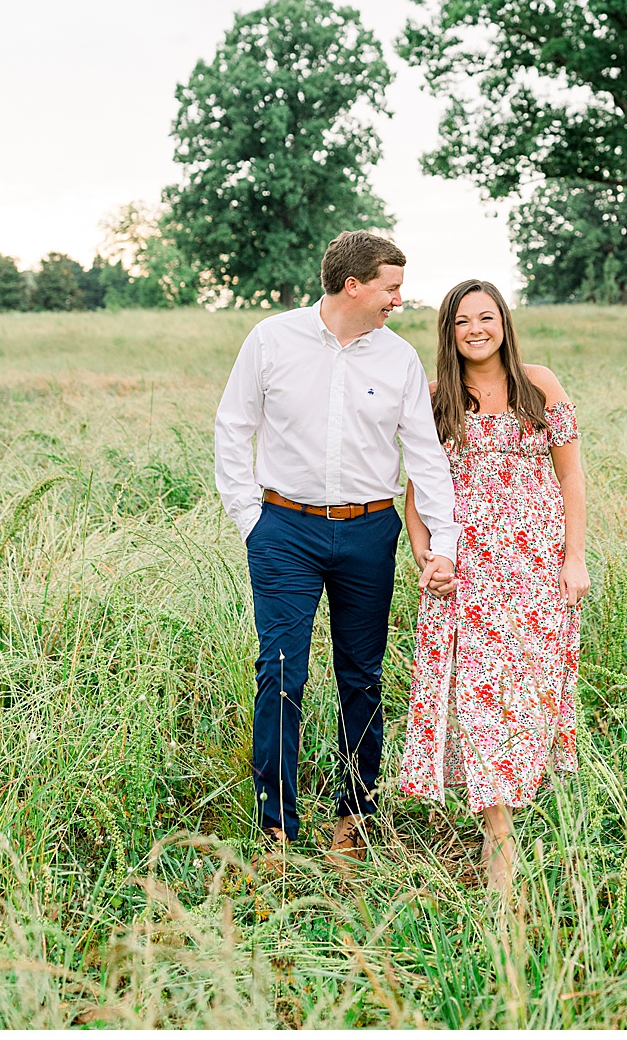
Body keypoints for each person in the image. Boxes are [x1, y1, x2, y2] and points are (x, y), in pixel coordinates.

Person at [214, 230, 460, 871]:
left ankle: (356, 815)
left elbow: (426, 455)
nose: (399, 300)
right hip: (284, 531)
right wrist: (251, 520)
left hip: (369, 533)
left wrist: (444, 544)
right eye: (392, 287)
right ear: (354, 284)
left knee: (361, 675)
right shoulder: (271, 339)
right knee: (282, 673)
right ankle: (278, 830)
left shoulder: (399, 359)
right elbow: (232, 426)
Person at [398, 278, 590, 898]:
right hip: (467, 572)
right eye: (461, 321)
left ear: (503, 322)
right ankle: (496, 834)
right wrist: (426, 555)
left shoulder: (541, 385)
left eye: (486, 317)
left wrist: (575, 558)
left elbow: (572, 479)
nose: (475, 329)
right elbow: (419, 496)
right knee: (478, 698)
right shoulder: (434, 401)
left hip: (534, 569)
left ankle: (513, 804)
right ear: (448, 332)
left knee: (524, 696)